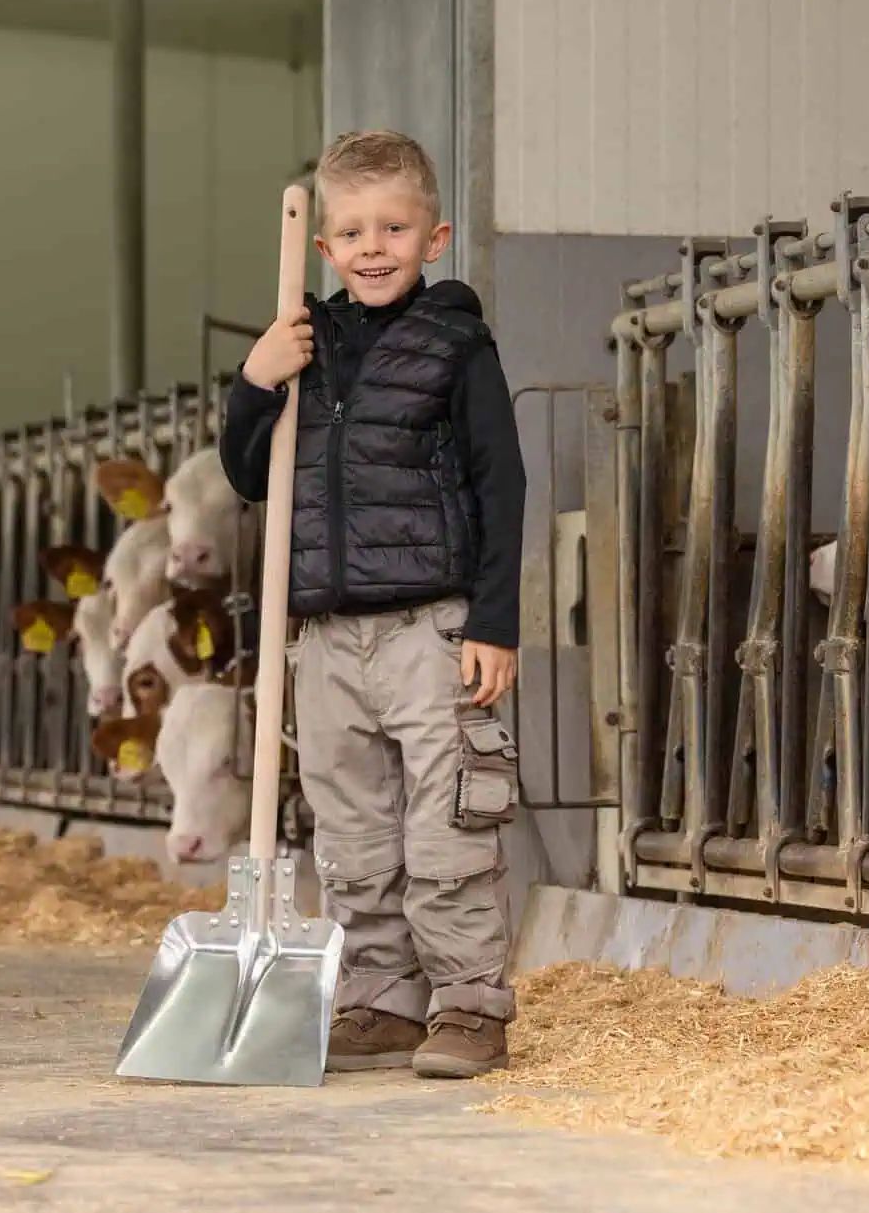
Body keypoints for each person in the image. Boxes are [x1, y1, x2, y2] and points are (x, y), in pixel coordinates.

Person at [220, 129, 525, 1078]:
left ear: (435, 237)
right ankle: (382, 999)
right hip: (323, 633)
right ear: (324, 247)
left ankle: (468, 1004)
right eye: (352, 232)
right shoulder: (300, 344)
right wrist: (255, 382)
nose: (374, 247)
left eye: (394, 227)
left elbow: (502, 481)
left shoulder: (456, 344)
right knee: (352, 830)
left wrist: (494, 621)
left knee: (449, 822)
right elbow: (248, 476)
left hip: (431, 627)